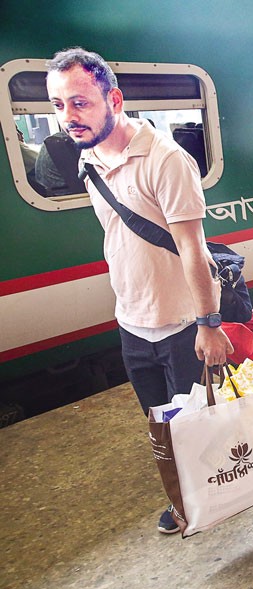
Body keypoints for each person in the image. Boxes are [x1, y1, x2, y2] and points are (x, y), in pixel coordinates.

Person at [45, 47, 232, 534]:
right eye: (58, 104)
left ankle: (213, 493)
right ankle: (185, 497)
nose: (69, 116)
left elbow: (193, 249)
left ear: (114, 98)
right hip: (132, 321)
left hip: (181, 324)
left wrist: (208, 324)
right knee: (162, 425)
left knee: (198, 424)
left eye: (80, 102)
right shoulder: (89, 157)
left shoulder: (166, 160)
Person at [33, 130, 87, 196]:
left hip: (53, 193)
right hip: (65, 196)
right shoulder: (63, 145)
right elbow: (79, 185)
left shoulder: (55, 140)